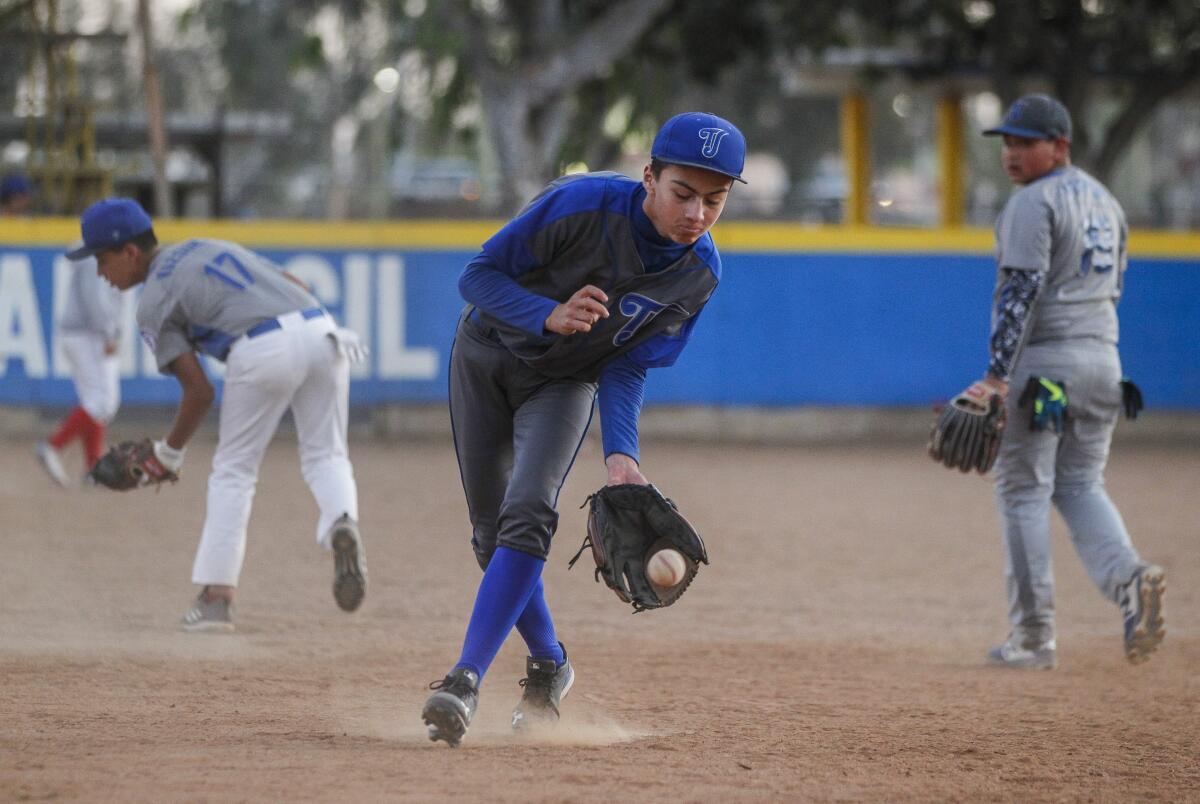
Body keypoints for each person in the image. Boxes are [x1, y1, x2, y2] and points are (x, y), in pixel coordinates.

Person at [420, 112, 746, 746]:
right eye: (682, 193)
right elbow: (477, 278)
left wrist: (622, 455)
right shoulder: (579, 204)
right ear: (649, 176)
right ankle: (550, 662)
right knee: (491, 538)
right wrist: (549, 313)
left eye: (716, 199)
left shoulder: (698, 273)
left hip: (565, 383)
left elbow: (628, 361)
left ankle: (463, 680)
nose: (697, 214)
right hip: (486, 355)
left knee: (529, 514)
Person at [66, 197, 368, 632]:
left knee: (233, 471)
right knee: (327, 454)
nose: (99, 271)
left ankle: (215, 599)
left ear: (130, 252)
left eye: (101, 258)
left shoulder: (152, 303)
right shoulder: (204, 245)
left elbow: (199, 391)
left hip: (263, 346)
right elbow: (288, 278)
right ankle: (342, 521)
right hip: (323, 330)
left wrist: (167, 454)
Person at [968, 94, 1164, 669]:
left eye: (1025, 142)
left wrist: (997, 378)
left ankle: (1033, 637)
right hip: (1104, 365)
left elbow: (1021, 294)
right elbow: (1115, 288)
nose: (1012, 153)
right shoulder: (1107, 202)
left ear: (1060, 146)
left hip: (1046, 371)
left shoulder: (1033, 202)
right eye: (1007, 142)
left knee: (1023, 490)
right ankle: (1129, 579)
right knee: (1080, 483)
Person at [36, 251, 125, 486]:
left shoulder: (100, 252)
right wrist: (108, 333)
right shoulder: (97, 255)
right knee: (104, 402)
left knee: (93, 401)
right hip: (88, 335)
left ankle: (93, 469)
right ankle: (53, 445)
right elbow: (94, 298)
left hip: (83, 333)